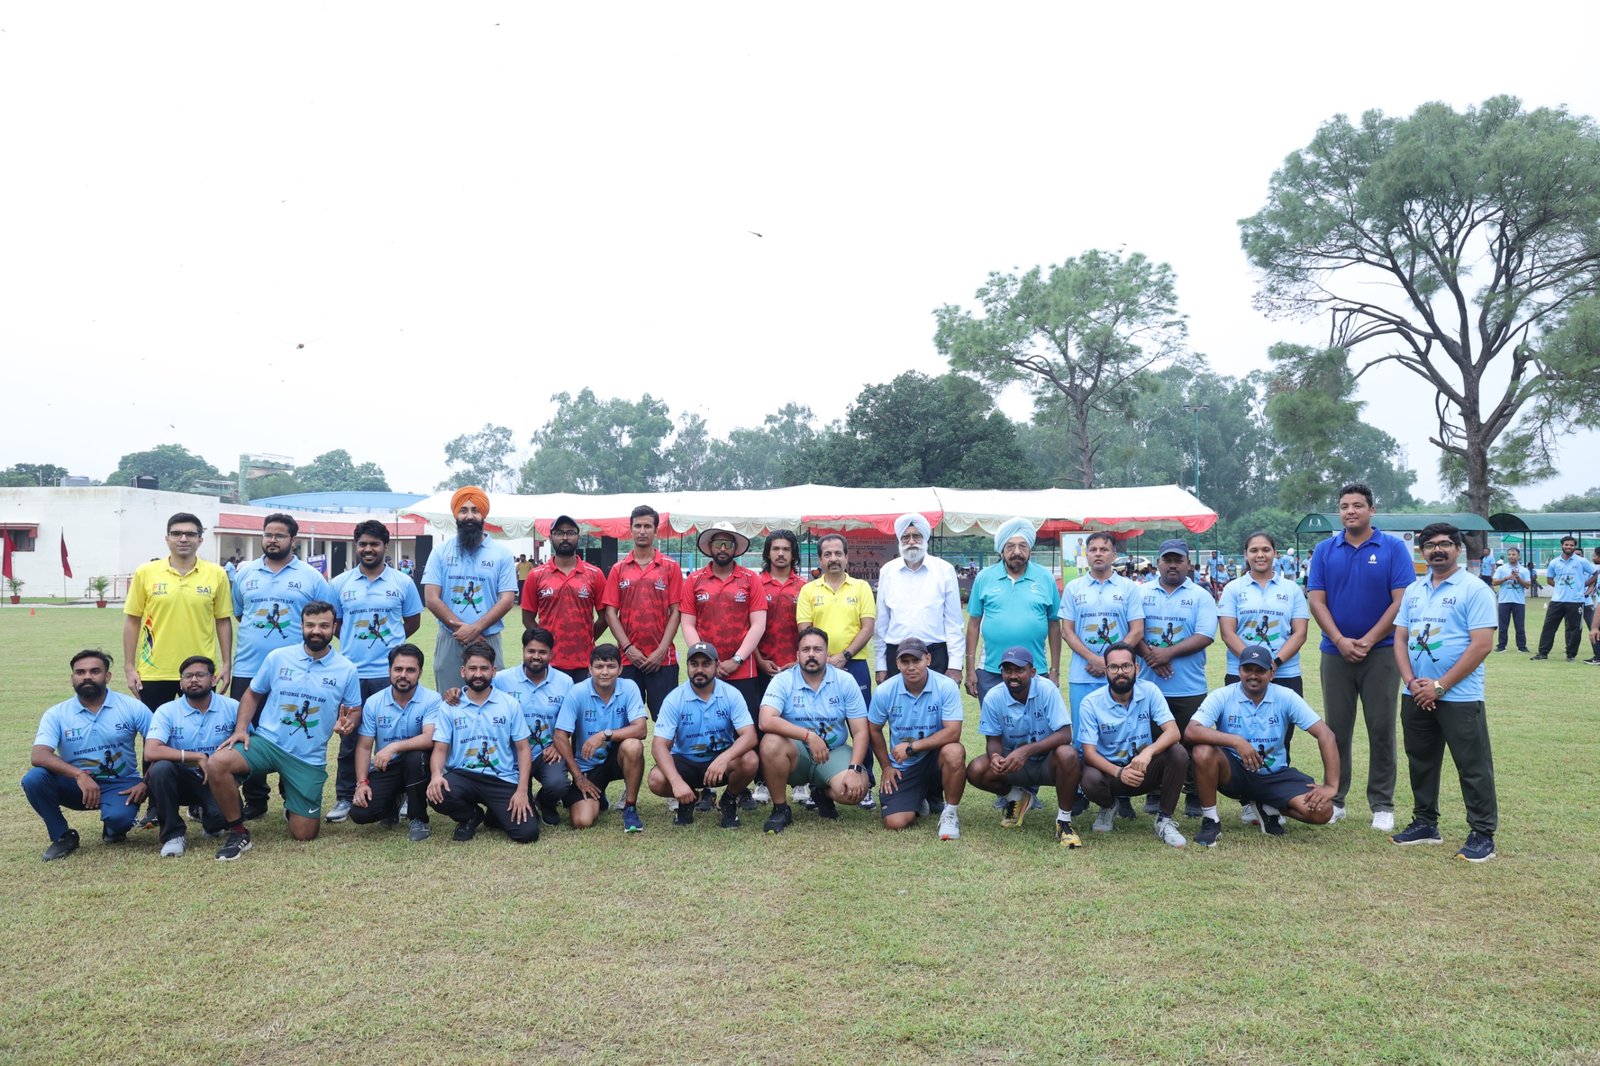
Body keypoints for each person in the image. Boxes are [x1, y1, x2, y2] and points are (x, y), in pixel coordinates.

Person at [203, 601, 362, 861]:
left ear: (334, 627)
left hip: (307, 756)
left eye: (324, 625)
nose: (316, 631)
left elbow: (354, 710)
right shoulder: (278, 657)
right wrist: (241, 728)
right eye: (310, 625)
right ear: (301, 626)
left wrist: (348, 723)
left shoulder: (346, 669)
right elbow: (252, 694)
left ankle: (294, 803)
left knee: (304, 834)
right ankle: (238, 831)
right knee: (218, 763)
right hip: (268, 742)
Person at [1306, 482, 1413, 832]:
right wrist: (1339, 640)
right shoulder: (1324, 550)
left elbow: (1400, 601)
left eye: (1357, 505)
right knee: (1336, 730)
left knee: (1381, 728)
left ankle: (1382, 804)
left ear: (1371, 510)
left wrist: (1367, 640)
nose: (1350, 511)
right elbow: (1316, 600)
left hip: (1381, 653)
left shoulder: (1393, 548)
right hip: (1335, 653)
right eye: (1344, 506)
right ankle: (1336, 799)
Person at [1391, 523, 1500, 862]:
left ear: (1458, 549)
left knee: (1472, 765)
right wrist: (1411, 681)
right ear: (1421, 551)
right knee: (1421, 760)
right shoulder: (1414, 590)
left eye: (1445, 544)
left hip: (1459, 696)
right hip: (1415, 693)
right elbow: (1400, 638)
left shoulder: (1475, 589)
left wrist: (1440, 686)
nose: (1437, 550)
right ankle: (1425, 823)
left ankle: (1482, 833)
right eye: (1430, 545)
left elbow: (1481, 645)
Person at [232, 513, 337, 820]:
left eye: (279, 535)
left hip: (296, 671)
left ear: (293, 540)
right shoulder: (245, 574)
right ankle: (256, 798)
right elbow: (241, 614)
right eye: (268, 535)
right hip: (248, 668)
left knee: (291, 731)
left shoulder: (311, 577)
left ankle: (292, 794)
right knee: (249, 733)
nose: (272, 540)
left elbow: (325, 618)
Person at [1184, 646, 1341, 847]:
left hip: (1274, 776)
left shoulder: (1286, 696)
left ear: (1271, 674)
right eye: (1247, 669)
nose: (1253, 675)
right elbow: (1191, 731)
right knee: (1202, 751)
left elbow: (1326, 735)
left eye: (1260, 670)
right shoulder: (1222, 695)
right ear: (1239, 671)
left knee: (1323, 811)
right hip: (1235, 775)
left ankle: (1268, 804)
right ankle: (1210, 820)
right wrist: (1237, 741)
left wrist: (1330, 786)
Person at [327, 520, 423, 820]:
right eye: (363, 544)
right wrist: (354, 643)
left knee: (397, 734)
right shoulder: (340, 583)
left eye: (374, 544)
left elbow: (412, 622)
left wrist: (391, 649)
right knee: (350, 737)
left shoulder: (403, 583)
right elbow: (335, 624)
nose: (368, 549)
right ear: (356, 546)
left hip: (390, 674)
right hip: (352, 674)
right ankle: (345, 796)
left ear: (385, 546)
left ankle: (404, 793)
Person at [1217, 530, 1311, 824]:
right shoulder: (1233, 589)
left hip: (1285, 673)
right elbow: (1228, 632)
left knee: (1280, 737)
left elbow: (1300, 632)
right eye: (1254, 550)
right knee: (1241, 735)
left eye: (1266, 549)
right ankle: (1248, 801)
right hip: (1241, 674)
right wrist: (1254, 666)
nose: (1260, 555)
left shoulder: (1291, 589)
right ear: (1245, 554)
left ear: (1275, 553)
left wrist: (1275, 663)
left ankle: (1274, 799)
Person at [22, 650, 151, 861]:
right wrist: (79, 774)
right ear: (72, 678)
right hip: (77, 785)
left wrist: (146, 782)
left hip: (121, 783)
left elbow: (159, 745)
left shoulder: (132, 707)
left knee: (119, 820)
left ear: (107, 676)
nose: (87, 676)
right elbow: (39, 755)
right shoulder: (57, 713)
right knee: (34, 779)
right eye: (80, 672)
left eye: (95, 671)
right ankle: (62, 835)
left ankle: (114, 826)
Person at [679, 521, 767, 807]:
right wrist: (706, 661)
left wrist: (737, 658)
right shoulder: (694, 580)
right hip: (705, 671)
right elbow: (688, 624)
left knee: (742, 729)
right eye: (718, 543)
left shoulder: (750, 579)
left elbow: (758, 624)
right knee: (707, 728)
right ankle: (707, 788)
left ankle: (738, 790)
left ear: (736, 548)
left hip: (743, 670)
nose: (723, 548)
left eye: (728, 543)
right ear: (709, 547)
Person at [1059, 530, 1146, 815]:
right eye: (1093, 549)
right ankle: (1083, 790)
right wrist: (1093, 659)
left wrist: (1110, 662)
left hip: (1119, 674)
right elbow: (1067, 631)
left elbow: (1137, 630)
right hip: (1083, 674)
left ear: (1114, 555)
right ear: (1086, 554)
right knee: (1083, 737)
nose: (1098, 553)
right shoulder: (1074, 588)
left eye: (1104, 549)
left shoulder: (1129, 588)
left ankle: (1122, 794)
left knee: (1123, 734)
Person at [965, 647, 1084, 848]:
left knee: (1068, 754)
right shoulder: (993, 696)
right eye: (1007, 670)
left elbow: (1066, 734)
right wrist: (995, 756)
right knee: (976, 770)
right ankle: (1017, 797)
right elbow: (993, 739)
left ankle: (1064, 822)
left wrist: (1026, 751)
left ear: (1032, 672)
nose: (1013, 676)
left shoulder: (1047, 689)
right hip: (1014, 763)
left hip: (1047, 761)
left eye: (1019, 670)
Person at [758, 627, 871, 833]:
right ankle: (781, 808)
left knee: (856, 791)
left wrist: (855, 769)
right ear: (797, 655)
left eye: (818, 650)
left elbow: (861, 731)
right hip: (797, 753)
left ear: (827, 655)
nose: (811, 654)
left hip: (833, 751)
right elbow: (766, 720)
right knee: (770, 742)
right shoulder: (782, 680)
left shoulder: (845, 681)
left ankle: (822, 793)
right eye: (806, 649)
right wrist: (808, 736)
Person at [1075, 643, 1189, 847]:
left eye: (1126, 666)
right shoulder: (1090, 703)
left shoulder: (1150, 690)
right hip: (1110, 774)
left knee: (1178, 753)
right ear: (1106, 670)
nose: (1120, 672)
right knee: (1088, 777)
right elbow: (1089, 753)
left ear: (1137, 667)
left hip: (1143, 770)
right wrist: (1119, 773)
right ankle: (1109, 806)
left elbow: (1173, 732)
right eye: (1113, 667)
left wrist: (1148, 753)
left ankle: (1165, 820)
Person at [1134, 539, 1216, 822]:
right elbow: (1133, 630)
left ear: (1188, 563)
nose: (1172, 565)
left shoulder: (1201, 595)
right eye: (1167, 559)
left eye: (1178, 560)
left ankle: (1193, 793)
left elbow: (1205, 635)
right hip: (1149, 685)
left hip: (1189, 686)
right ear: (1157, 563)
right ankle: (1154, 791)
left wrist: (1166, 653)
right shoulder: (1141, 592)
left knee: (1191, 741)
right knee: (1152, 740)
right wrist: (1151, 658)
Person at [795, 532, 878, 807]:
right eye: (827, 554)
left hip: (854, 664)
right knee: (814, 720)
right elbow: (804, 629)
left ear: (846, 556)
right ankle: (815, 783)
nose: (833, 558)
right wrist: (823, 659)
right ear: (820, 559)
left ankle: (864, 781)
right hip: (817, 666)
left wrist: (844, 655)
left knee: (861, 725)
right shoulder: (809, 590)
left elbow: (868, 627)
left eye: (838, 553)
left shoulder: (861, 588)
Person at [426, 641, 538, 844]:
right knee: (438, 793)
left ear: (493, 671)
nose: (478, 674)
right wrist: (435, 775)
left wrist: (522, 790)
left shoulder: (509, 704)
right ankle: (471, 816)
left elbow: (523, 749)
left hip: (501, 777)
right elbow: (440, 748)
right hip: (463, 775)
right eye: (473, 668)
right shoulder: (450, 705)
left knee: (527, 833)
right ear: (463, 671)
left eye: (484, 668)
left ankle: (495, 813)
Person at [123, 512, 233, 711]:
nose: (183, 538)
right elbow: (133, 620)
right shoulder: (145, 572)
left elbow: (223, 621)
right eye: (176, 533)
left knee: (200, 727)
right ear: (167, 538)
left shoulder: (217, 574)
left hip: (200, 670)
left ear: (200, 540)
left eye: (190, 534)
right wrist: (129, 666)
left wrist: (226, 664)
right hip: (154, 671)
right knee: (155, 728)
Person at [647, 642, 759, 829]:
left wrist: (724, 758)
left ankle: (728, 800)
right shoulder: (674, 699)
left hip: (720, 762)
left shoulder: (731, 694)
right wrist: (676, 782)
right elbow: (659, 745)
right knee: (656, 779)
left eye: (706, 664)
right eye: (694, 664)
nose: (699, 669)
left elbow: (750, 736)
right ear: (687, 666)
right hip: (685, 761)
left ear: (717, 665)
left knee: (750, 760)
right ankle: (689, 799)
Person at [421, 486, 520, 692]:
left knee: (492, 700)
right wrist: (462, 630)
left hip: (488, 638)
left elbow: (507, 600)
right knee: (449, 700)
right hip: (450, 638)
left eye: (475, 510)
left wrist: (475, 629)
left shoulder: (501, 553)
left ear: (483, 515)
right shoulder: (440, 552)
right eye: (463, 510)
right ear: (455, 515)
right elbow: (431, 598)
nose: (469, 516)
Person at [866, 639, 966, 839]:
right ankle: (919, 800)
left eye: (916, 660)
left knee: (954, 751)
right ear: (897, 664)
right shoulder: (885, 690)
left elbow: (953, 732)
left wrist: (913, 747)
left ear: (928, 659)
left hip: (934, 757)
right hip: (904, 765)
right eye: (905, 661)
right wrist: (886, 767)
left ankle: (950, 813)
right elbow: (874, 729)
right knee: (895, 822)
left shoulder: (946, 686)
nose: (911, 667)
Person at [142, 655, 236, 857]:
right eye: (187, 676)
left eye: (200, 675)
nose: (193, 680)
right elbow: (151, 751)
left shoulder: (231, 707)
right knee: (160, 769)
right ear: (181, 683)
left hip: (217, 779)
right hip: (180, 779)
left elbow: (249, 744)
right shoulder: (167, 710)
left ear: (213, 679)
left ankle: (205, 813)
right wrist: (197, 757)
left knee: (220, 822)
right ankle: (173, 835)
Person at [964, 517, 1061, 703]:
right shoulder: (984, 577)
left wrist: (1055, 671)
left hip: (1035, 670)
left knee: (1035, 720)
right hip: (992, 671)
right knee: (994, 720)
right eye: (1010, 546)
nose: (1017, 552)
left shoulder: (1045, 577)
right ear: (1001, 550)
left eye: (1023, 546)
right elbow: (973, 625)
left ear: (1030, 549)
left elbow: (1054, 626)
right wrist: (970, 670)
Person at [351, 643, 441, 842]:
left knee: (415, 758)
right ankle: (392, 802)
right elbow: (364, 747)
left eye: (410, 670)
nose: (403, 675)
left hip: (419, 766)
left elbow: (429, 738)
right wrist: (362, 783)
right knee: (360, 814)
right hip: (387, 766)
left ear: (420, 672)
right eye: (398, 669)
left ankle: (418, 818)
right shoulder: (374, 702)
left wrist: (394, 747)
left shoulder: (432, 699)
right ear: (389, 671)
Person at [553, 644, 649, 831]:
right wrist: (578, 777)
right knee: (582, 821)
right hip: (588, 765)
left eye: (611, 666)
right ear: (590, 669)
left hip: (617, 757)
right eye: (599, 667)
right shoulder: (577, 692)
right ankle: (599, 795)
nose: (605, 672)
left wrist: (604, 735)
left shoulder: (629, 687)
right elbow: (560, 735)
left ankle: (630, 807)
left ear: (620, 669)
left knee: (633, 746)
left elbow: (641, 730)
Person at [603, 504, 684, 719]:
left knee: (667, 721)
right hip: (627, 659)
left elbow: (676, 611)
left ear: (656, 531)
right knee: (627, 722)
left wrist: (660, 651)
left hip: (663, 660)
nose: (642, 531)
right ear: (630, 530)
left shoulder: (670, 567)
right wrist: (628, 648)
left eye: (647, 526)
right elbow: (610, 613)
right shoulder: (618, 569)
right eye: (637, 526)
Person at [492, 627, 574, 826]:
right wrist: (457, 693)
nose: (536, 656)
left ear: (551, 654)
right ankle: (524, 797)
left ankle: (545, 801)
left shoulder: (565, 682)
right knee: (515, 817)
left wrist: (557, 746)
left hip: (547, 753)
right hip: (512, 754)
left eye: (542, 652)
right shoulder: (502, 680)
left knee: (558, 784)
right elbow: (478, 694)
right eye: (531, 651)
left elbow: (570, 721)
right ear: (523, 651)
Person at [874, 513, 964, 685]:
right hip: (896, 656)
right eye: (905, 537)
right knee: (898, 702)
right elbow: (881, 624)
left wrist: (955, 665)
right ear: (899, 541)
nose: (911, 541)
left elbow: (954, 622)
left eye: (916, 536)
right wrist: (880, 665)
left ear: (925, 539)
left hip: (935, 655)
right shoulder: (888, 571)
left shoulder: (944, 570)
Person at [520, 514, 607, 682]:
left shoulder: (595, 574)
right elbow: (527, 618)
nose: (565, 537)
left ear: (578, 537)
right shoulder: (536, 575)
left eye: (570, 533)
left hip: (584, 661)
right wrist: (544, 643)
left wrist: (587, 638)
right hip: (549, 662)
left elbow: (605, 618)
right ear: (550, 537)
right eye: (559, 533)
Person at [1532, 536, 1595, 662]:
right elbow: (1549, 579)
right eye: (1566, 544)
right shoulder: (1554, 562)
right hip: (1557, 600)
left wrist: (1583, 585)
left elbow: (1595, 574)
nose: (1568, 547)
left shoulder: (1581, 561)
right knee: (1549, 627)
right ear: (1562, 545)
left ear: (1574, 547)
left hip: (1576, 601)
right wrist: (1559, 587)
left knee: (1574, 629)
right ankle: (1542, 653)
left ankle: (1571, 655)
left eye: (1571, 545)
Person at [1491, 546, 1532, 653]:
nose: (1511, 556)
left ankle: (1522, 647)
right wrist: (1506, 578)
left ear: (1518, 556)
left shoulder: (1524, 570)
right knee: (1503, 625)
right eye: (1509, 554)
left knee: (1520, 626)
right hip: (1504, 601)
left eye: (1514, 554)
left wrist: (1518, 578)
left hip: (1519, 601)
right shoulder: (1501, 569)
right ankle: (1501, 646)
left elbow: (1528, 585)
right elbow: (1494, 582)